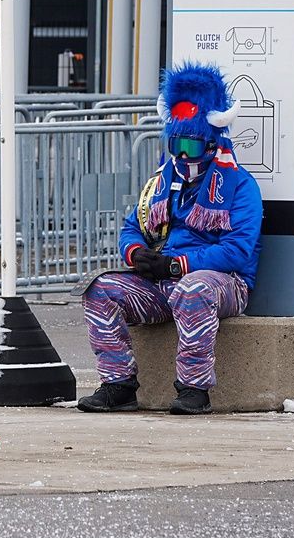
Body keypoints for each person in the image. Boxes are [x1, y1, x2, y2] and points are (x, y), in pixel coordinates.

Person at [76, 62, 262, 415]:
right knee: (99, 289)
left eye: (190, 147)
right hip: (164, 279)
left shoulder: (240, 186)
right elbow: (133, 227)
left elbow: (237, 251)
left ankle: (194, 389)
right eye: (175, 145)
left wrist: (179, 265)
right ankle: (118, 384)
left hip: (224, 283)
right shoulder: (163, 182)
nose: (181, 156)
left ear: (211, 144)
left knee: (194, 290)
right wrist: (136, 255)